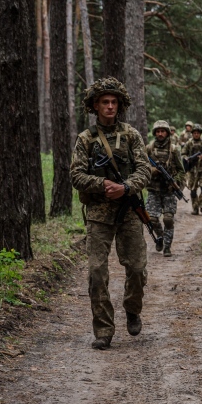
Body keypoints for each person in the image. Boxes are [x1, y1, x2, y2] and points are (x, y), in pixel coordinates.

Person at [69, 77, 151, 350]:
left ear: (120, 105)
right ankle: (103, 330)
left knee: (137, 268)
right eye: (105, 102)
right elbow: (76, 175)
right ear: (96, 105)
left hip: (128, 211)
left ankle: (132, 307)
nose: (110, 106)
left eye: (114, 102)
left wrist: (126, 187)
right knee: (96, 272)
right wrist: (103, 185)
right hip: (98, 213)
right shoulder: (85, 139)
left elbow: (144, 170)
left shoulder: (131, 135)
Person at [146, 120, 186, 257]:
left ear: (167, 133)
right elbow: (141, 168)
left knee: (168, 219)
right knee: (152, 219)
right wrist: (153, 171)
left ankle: (167, 247)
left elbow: (181, 170)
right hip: (153, 190)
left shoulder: (174, 149)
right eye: (158, 131)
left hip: (168, 191)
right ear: (155, 133)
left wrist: (176, 183)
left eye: (163, 131)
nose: (160, 134)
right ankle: (160, 237)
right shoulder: (149, 148)